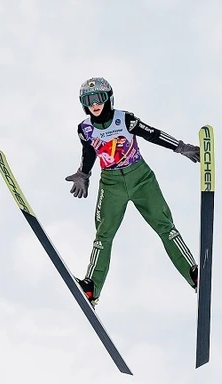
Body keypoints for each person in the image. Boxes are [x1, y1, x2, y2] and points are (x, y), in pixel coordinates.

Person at [65, 76, 201, 306]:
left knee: (165, 226)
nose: (94, 104)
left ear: (108, 98)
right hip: (111, 184)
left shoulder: (124, 119)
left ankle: (194, 274)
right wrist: (83, 174)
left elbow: (152, 134)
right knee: (103, 235)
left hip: (141, 178)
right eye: (88, 101)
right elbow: (88, 153)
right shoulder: (84, 128)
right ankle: (91, 288)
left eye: (98, 98)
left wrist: (180, 148)